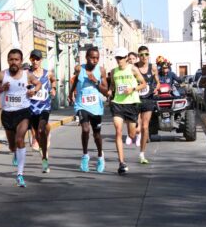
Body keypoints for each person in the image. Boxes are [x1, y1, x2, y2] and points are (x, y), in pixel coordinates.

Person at [0, 48, 42, 187]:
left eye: (16, 59)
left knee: (20, 139)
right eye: (11, 59)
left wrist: (33, 91)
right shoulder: (1, 75)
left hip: (23, 112)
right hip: (7, 114)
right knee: (12, 146)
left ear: (20, 61)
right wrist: (1, 89)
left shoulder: (27, 75)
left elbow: (38, 84)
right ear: (8, 60)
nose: (14, 62)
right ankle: (15, 153)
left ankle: (20, 175)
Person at [68, 46, 108, 173]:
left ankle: (100, 157)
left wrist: (95, 82)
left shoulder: (101, 70)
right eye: (92, 58)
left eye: (97, 58)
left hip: (96, 106)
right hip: (81, 104)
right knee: (85, 129)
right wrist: (70, 94)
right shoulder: (80, 69)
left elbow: (105, 91)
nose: (94, 60)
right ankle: (85, 156)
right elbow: (75, 82)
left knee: (97, 135)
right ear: (86, 58)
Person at [107, 47, 147, 175]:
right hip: (118, 103)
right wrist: (109, 91)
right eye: (117, 58)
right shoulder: (113, 72)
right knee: (118, 130)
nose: (118, 60)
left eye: (121, 58)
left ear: (126, 58)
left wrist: (133, 89)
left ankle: (136, 127)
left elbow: (144, 84)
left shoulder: (133, 69)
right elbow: (112, 85)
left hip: (132, 104)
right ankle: (121, 163)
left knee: (132, 135)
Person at [28, 49, 56, 173]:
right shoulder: (27, 74)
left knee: (41, 129)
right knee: (39, 135)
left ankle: (44, 159)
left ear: (41, 60)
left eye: (37, 59)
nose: (35, 61)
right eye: (33, 59)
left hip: (44, 107)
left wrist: (53, 89)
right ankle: (44, 154)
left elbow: (54, 81)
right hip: (32, 108)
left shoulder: (47, 73)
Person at [134, 46, 160, 164]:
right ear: (138, 56)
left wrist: (156, 88)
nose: (144, 57)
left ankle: (142, 153)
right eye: (141, 55)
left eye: (146, 54)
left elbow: (158, 82)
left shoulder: (153, 67)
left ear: (149, 55)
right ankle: (136, 135)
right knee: (137, 128)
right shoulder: (134, 68)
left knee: (145, 127)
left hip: (148, 99)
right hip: (136, 99)